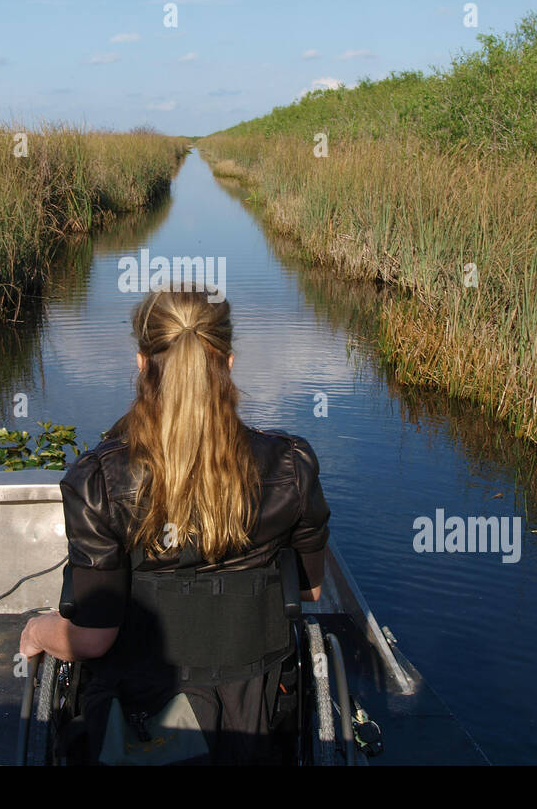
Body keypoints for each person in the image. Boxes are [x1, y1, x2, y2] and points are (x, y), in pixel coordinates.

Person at [19, 286, 330, 764]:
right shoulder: (291, 465)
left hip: (138, 728)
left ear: (142, 364)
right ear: (227, 364)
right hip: (258, 726)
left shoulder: (99, 479)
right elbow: (309, 592)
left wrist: (39, 632)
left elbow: (92, 638)